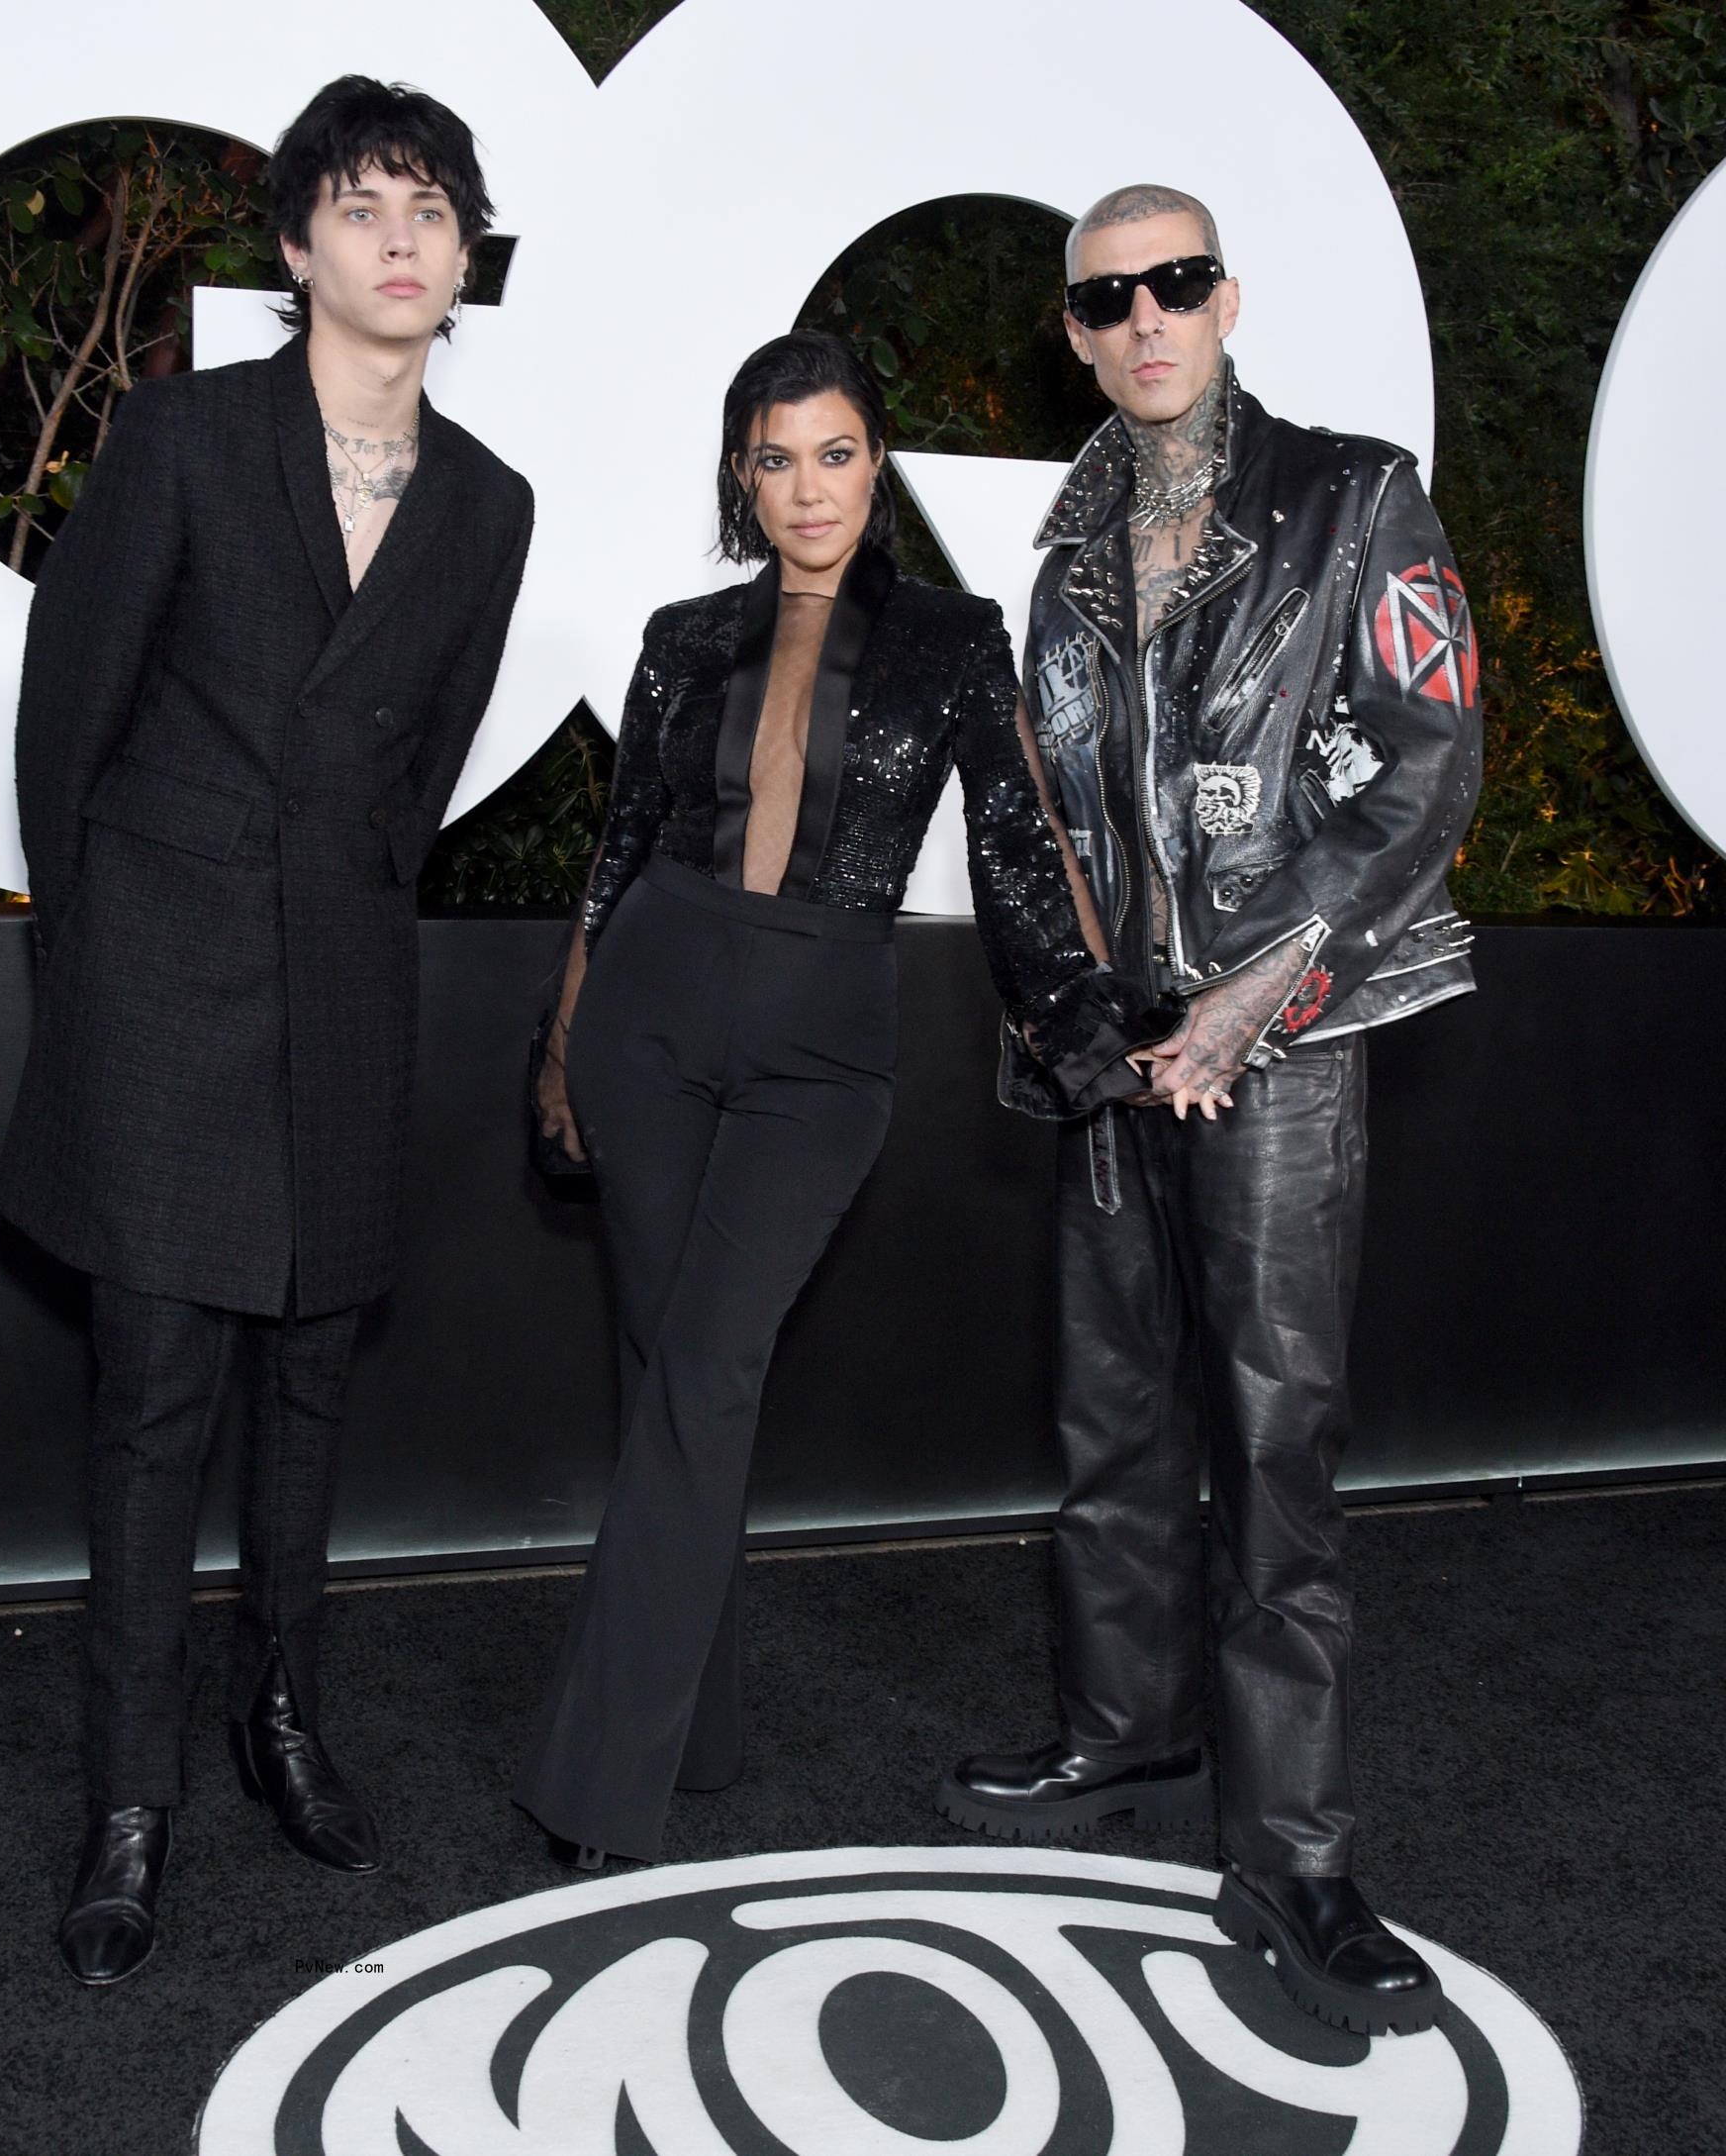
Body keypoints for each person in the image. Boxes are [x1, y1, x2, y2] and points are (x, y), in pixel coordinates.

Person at [0, 76, 533, 1985]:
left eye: (435, 209)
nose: (404, 237)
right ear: (298, 242)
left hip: (343, 975)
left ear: (464, 261)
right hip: (162, 973)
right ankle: (129, 1795)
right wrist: (96, 969)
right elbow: (69, 727)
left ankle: (279, 1711)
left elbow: (429, 762)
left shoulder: (489, 505)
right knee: (153, 1402)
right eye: (366, 203)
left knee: (313, 1385)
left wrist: (347, 896)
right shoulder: (185, 441)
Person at [517, 330, 1170, 1870]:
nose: (806, 487)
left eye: (835, 452)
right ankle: (698, 1730)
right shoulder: (683, 635)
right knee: (661, 1358)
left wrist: (1093, 1031)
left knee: (707, 1370)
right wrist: (561, 1049)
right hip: (654, 1015)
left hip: (822, 1044)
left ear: (874, 466)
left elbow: (1017, 846)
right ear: (740, 476)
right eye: (774, 456)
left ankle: (596, 1775)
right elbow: (617, 861)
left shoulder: (952, 637)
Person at [939, 184, 1482, 2038]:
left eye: (1177, 280)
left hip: (1284, 1037)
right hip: (1116, 1043)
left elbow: (1427, 769)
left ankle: (1300, 1857)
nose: (1147, 314)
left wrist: (1263, 992)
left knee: (1270, 1448)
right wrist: (1081, 1013)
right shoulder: (1074, 532)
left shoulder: (1352, 494)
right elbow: (1052, 805)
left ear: (1226, 299)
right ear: (1078, 334)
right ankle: (1126, 1730)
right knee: (1107, 1415)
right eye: (1110, 296)